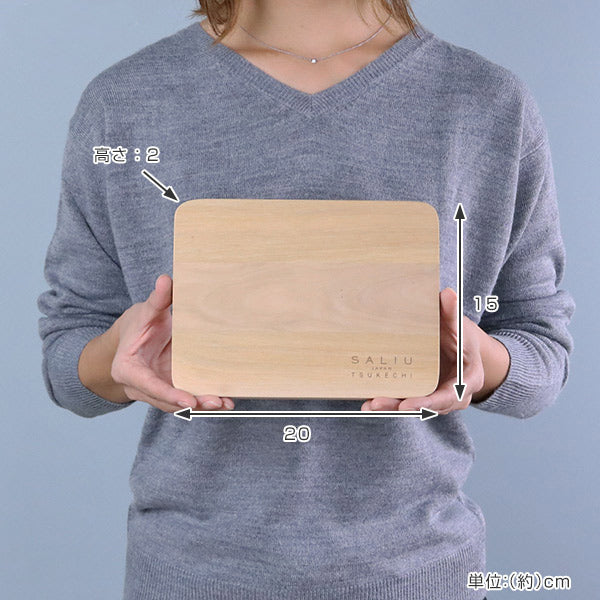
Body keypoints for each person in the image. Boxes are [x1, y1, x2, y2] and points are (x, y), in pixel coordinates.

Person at [37, 0, 574, 598]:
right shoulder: (125, 102)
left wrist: (482, 362)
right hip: (191, 575)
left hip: (419, 574)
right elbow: (67, 359)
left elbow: (543, 352)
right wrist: (120, 350)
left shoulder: (488, 103)